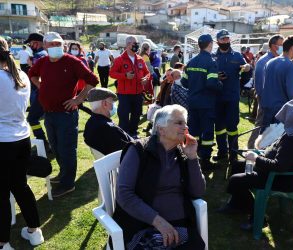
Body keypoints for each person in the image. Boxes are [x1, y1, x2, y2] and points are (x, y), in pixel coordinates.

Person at [113, 104, 206, 249]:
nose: (185, 128)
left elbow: (198, 191)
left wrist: (193, 157)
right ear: (161, 129)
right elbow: (124, 193)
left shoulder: (182, 154)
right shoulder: (139, 150)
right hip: (143, 224)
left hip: (180, 224)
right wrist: (158, 222)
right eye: (179, 123)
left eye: (186, 123)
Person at [218, 99, 293, 229]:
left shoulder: (292, 141)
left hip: (278, 179)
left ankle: (257, 217)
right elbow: (281, 158)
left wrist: (256, 158)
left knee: (235, 180)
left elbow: (279, 166)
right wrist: (262, 154)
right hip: (279, 174)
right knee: (237, 165)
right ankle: (236, 203)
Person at [28, 32, 99, 198]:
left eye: (57, 44)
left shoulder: (72, 61)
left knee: (67, 149)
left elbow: (92, 80)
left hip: (66, 114)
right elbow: (32, 74)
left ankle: (68, 184)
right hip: (49, 113)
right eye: (51, 44)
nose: (55, 47)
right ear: (44, 45)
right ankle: (63, 174)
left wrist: (78, 99)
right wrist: (41, 87)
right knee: (56, 146)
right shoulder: (43, 61)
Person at [0, 37, 44, 250]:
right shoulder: (22, 76)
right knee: (20, 186)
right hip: (21, 138)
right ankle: (34, 231)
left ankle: (3, 242)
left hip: (4, 141)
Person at [181, 34, 222, 169]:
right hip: (206, 103)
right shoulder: (211, 62)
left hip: (192, 102)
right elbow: (211, 84)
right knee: (207, 133)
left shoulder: (191, 62)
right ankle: (205, 160)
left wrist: (196, 85)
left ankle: (194, 156)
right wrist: (220, 84)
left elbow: (184, 82)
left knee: (194, 131)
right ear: (210, 44)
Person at [213, 29, 250, 164]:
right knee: (219, 127)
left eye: (227, 39)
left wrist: (246, 68)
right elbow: (207, 75)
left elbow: (246, 70)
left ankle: (233, 153)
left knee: (232, 126)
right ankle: (222, 151)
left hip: (232, 97)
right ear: (218, 41)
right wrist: (215, 77)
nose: (226, 41)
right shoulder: (212, 56)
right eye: (223, 39)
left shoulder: (237, 56)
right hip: (217, 97)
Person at [247, 35, 284, 149]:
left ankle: (264, 149)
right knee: (261, 125)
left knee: (271, 127)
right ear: (273, 46)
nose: (283, 47)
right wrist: (265, 102)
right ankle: (250, 150)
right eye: (281, 45)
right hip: (266, 101)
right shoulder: (264, 61)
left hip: (276, 102)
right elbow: (259, 85)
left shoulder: (279, 59)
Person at [109, 36, 150, 138]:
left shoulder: (140, 59)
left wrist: (146, 79)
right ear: (127, 45)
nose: (136, 45)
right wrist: (125, 76)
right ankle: (123, 135)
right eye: (134, 43)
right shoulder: (120, 59)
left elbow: (147, 73)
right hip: (124, 94)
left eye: (137, 43)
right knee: (124, 116)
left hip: (138, 93)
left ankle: (133, 133)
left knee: (136, 115)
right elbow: (112, 73)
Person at [260, 35, 293, 131]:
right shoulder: (291, 65)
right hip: (281, 110)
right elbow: (292, 93)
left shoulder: (270, 62)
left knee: (263, 139)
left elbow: (265, 86)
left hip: (266, 106)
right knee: (276, 142)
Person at [84, 88, 133, 155]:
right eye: (112, 102)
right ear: (105, 104)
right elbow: (130, 151)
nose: (114, 105)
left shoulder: (90, 123)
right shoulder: (108, 128)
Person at [24, 33, 51, 155]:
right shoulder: (45, 54)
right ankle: (50, 143)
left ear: (37, 42)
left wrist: (31, 65)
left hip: (42, 93)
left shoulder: (39, 55)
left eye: (31, 43)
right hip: (44, 92)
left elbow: (37, 72)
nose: (30, 46)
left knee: (32, 118)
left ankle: (43, 142)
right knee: (48, 119)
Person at [67, 42, 92, 115]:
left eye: (76, 49)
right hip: (69, 86)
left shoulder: (82, 60)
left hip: (79, 86)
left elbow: (85, 73)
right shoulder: (67, 58)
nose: (74, 50)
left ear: (79, 50)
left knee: (78, 105)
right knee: (75, 105)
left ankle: (94, 115)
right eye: (72, 48)